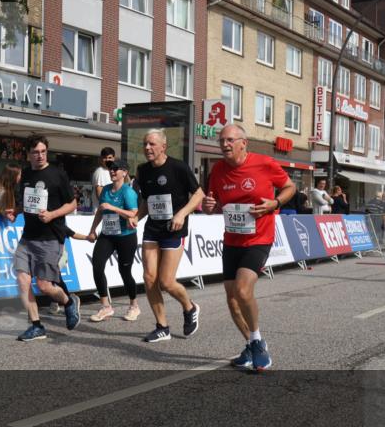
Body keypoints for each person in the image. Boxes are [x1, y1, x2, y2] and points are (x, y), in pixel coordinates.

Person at [203, 125, 295, 372]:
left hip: (259, 238)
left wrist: (274, 203)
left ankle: (257, 341)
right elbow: (214, 205)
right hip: (232, 240)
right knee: (232, 300)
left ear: (244, 143)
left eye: (230, 140)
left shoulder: (264, 163)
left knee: (243, 291)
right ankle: (251, 343)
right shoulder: (218, 170)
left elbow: (290, 187)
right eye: (221, 140)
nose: (225, 144)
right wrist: (209, 205)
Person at [132, 129, 205, 343]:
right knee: (149, 278)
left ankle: (190, 307)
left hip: (174, 229)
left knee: (166, 281)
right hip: (153, 229)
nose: (147, 148)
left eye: (152, 144)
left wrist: (181, 213)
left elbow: (199, 194)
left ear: (163, 147)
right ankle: (162, 326)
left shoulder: (178, 167)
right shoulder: (143, 171)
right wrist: (138, 216)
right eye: (145, 144)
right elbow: (147, 200)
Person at [14, 135, 81, 341]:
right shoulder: (25, 174)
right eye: (35, 152)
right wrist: (14, 211)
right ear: (28, 155)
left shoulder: (57, 174)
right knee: (22, 281)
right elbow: (25, 204)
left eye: (43, 151)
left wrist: (52, 214)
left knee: (44, 285)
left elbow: (72, 204)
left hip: (50, 237)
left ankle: (68, 302)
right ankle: (36, 326)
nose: (40, 156)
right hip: (28, 236)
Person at [87, 159, 141, 322]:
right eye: (110, 168)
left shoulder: (128, 192)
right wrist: (92, 230)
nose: (112, 171)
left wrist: (113, 208)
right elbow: (100, 212)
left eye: (116, 169)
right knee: (97, 265)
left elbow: (133, 214)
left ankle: (134, 305)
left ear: (124, 172)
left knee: (124, 271)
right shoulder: (106, 190)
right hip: (107, 235)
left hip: (125, 236)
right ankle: (106, 306)